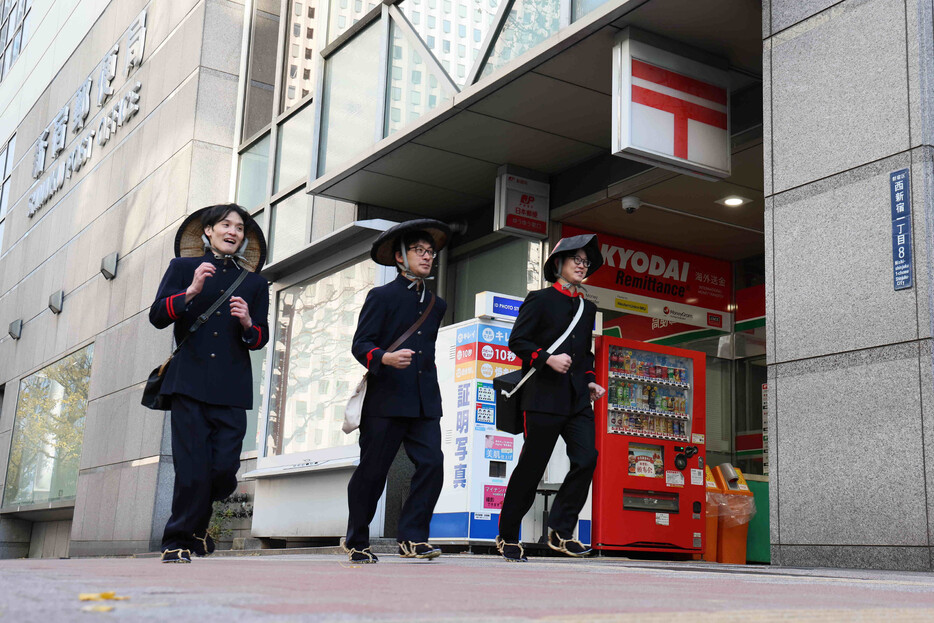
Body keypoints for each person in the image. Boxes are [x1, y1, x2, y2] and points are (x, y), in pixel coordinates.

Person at [149, 203, 270, 563]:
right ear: (208, 231)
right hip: (188, 383)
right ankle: (177, 540)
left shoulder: (255, 282)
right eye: (225, 225)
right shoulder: (183, 268)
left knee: (222, 469)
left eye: (239, 227)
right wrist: (189, 292)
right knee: (190, 468)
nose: (233, 231)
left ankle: (197, 526)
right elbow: (157, 316)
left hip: (232, 388)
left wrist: (249, 322)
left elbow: (260, 338)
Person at [343, 219, 451, 563]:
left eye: (430, 252)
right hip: (385, 400)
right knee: (373, 472)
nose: (427, 256)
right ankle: (357, 538)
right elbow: (360, 345)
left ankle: (413, 538)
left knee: (433, 463)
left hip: (424, 402)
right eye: (419, 250)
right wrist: (384, 357)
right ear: (400, 257)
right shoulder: (381, 296)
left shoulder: (437, 305)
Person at [495, 233, 606, 562]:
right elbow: (518, 341)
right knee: (532, 467)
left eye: (586, 262)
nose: (582, 266)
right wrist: (547, 358)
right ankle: (508, 535)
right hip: (541, 397)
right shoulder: (539, 299)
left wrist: (589, 382)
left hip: (575, 401)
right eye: (577, 260)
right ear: (559, 263)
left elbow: (585, 355)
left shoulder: (588, 308)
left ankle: (560, 530)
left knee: (587, 459)